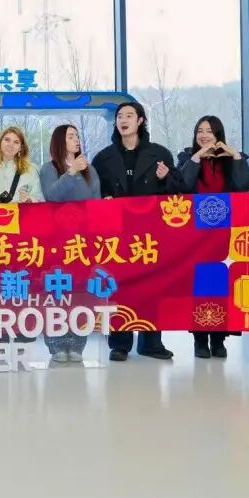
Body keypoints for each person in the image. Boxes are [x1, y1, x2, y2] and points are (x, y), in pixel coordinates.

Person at [91, 101, 178, 361]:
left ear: (140, 121)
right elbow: (94, 191)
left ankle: (151, 342)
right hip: (116, 232)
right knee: (118, 285)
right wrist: (104, 198)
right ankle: (120, 343)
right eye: (120, 116)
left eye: (129, 115)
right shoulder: (103, 158)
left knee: (153, 285)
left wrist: (166, 178)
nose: (123, 120)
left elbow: (178, 193)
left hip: (150, 232)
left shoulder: (160, 154)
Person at [175, 116, 249, 360]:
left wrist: (236, 156)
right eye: (200, 131)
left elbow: (245, 187)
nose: (204, 135)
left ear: (218, 134)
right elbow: (182, 187)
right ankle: (200, 339)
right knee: (199, 287)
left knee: (222, 286)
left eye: (209, 131)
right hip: (196, 236)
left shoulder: (232, 159)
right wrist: (197, 157)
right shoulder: (186, 158)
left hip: (225, 234)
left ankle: (219, 339)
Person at [39, 124, 101, 363]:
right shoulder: (49, 169)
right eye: (70, 136)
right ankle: (55, 344)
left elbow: (95, 202)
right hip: (55, 241)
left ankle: (77, 343)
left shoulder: (90, 170)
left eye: (77, 136)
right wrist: (71, 172)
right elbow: (51, 196)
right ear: (59, 141)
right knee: (56, 291)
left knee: (80, 292)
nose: (76, 140)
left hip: (82, 242)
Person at [0, 126, 43, 203]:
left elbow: (40, 199)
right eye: (7, 140)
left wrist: (30, 199)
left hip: (20, 211)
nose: (10, 145)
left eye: (16, 142)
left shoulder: (31, 171)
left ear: (21, 148)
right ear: (0, 143)